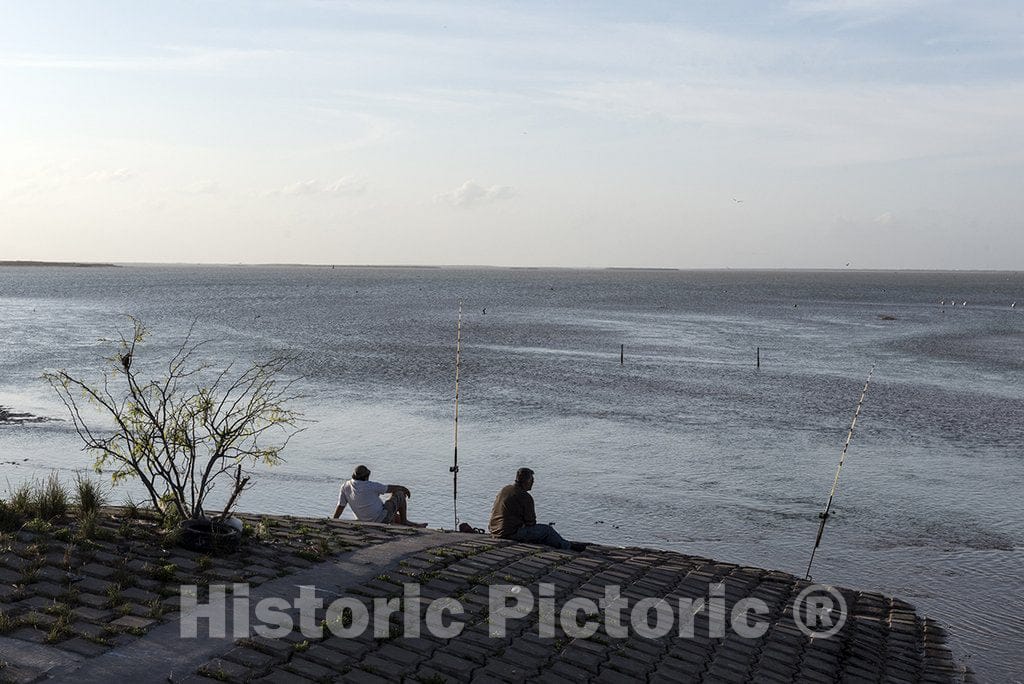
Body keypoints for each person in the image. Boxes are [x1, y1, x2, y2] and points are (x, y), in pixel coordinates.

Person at [488, 467, 586, 551]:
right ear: (527, 481)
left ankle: (559, 543)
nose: (533, 483)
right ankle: (568, 546)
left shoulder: (505, 489)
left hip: (494, 529)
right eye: (532, 480)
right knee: (547, 530)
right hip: (509, 533)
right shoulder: (525, 497)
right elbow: (531, 523)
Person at [333, 465, 427, 527]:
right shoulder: (371, 485)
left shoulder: (345, 486)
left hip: (363, 519)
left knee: (389, 509)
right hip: (380, 520)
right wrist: (403, 488)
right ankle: (404, 521)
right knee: (399, 494)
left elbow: (340, 506)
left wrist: (333, 520)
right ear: (366, 477)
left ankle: (406, 523)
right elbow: (390, 488)